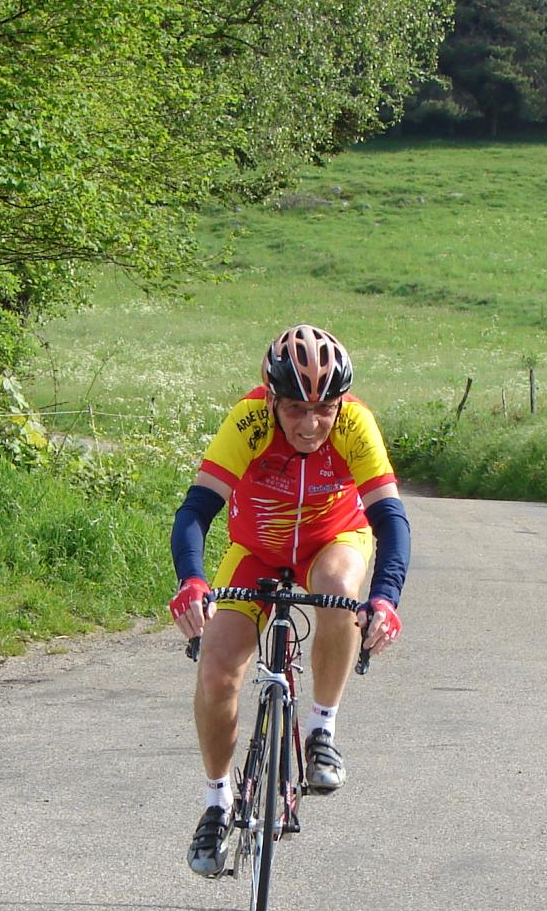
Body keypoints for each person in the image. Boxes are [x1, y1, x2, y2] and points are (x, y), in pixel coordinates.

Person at [168, 324, 410, 876]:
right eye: (296, 408)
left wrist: (387, 600)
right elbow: (196, 511)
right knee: (216, 673)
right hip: (256, 550)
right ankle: (217, 803)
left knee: (339, 590)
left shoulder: (355, 423)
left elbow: (391, 519)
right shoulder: (248, 421)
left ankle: (322, 729)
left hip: (335, 540)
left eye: (324, 407)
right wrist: (192, 581)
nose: (311, 423)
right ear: (272, 399)